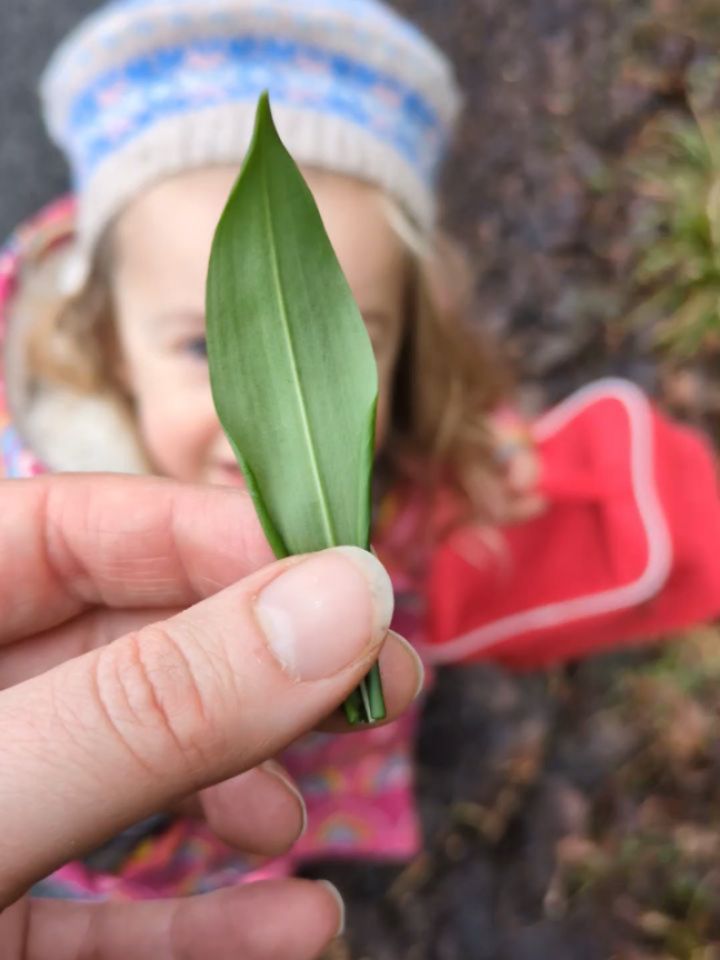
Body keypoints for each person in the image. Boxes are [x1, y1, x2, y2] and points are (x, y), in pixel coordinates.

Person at [2, 0, 720, 914]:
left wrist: (495, 475)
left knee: (283, 841)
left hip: (311, 755)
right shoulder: (37, 522)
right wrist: (119, 814)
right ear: (106, 343)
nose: (260, 402)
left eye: (336, 343)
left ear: (402, 347)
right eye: (206, 345)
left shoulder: (394, 465)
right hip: (140, 835)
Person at [0, 472, 421, 957]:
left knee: (271, 844)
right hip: (125, 858)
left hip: (278, 794)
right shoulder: (72, 503)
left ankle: (275, 866)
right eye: (199, 387)